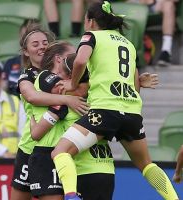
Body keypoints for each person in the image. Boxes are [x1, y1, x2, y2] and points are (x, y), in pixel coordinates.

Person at [50, 2, 178, 200]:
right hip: (132, 113)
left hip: (105, 111)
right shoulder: (127, 43)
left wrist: (73, 85)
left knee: (60, 151)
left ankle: (71, 196)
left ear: (91, 21)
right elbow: (135, 85)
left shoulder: (91, 36)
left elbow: (80, 60)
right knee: (147, 165)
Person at [10, 23, 89, 200]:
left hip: (59, 145)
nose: (41, 46)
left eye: (45, 42)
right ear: (25, 51)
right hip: (30, 146)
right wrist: (66, 99)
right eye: (35, 44)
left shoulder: (65, 74)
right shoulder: (28, 75)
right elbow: (32, 96)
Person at [29, 44, 114, 200]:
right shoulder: (45, 77)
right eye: (73, 55)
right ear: (60, 59)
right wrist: (67, 99)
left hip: (68, 155)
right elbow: (76, 91)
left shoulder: (78, 84)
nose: (78, 58)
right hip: (46, 152)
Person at [128, 0, 177, 66]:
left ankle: (166, 51)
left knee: (168, 5)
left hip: (157, 5)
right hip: (136, 5)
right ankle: (129, 52)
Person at [3, 18, 40, 97]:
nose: (26, 41)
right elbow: (2, 91)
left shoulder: (49, 64)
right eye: (24, 36)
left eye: (31, 37)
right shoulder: (10, 63)